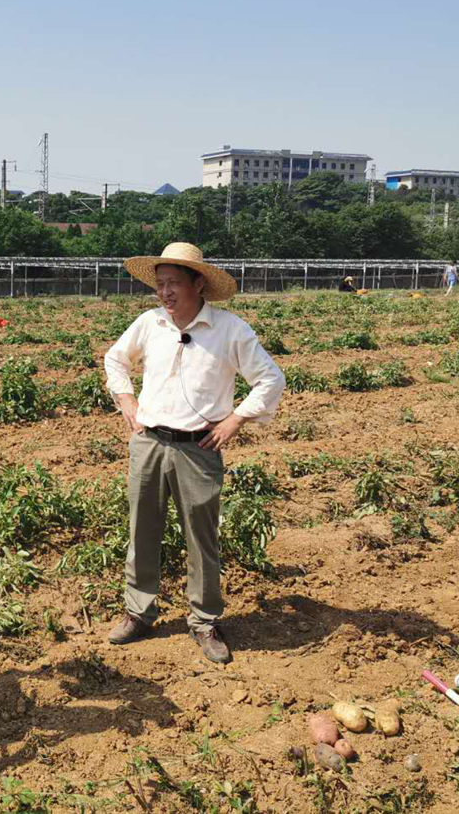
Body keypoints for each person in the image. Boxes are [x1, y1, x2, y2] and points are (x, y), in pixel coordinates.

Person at [103, 243, 285, 664]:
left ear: (198, 283)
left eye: (173, 284)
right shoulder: (149, 323)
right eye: (159, 285)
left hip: (198, 448)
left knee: (201, 539)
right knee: (141, 530)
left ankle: (204, 621)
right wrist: (127, 403)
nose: (164, 293)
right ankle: (139, 612)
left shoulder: (229, 330)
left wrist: (236, 420)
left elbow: (270, 378)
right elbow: (116, 360)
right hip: (148, 442)